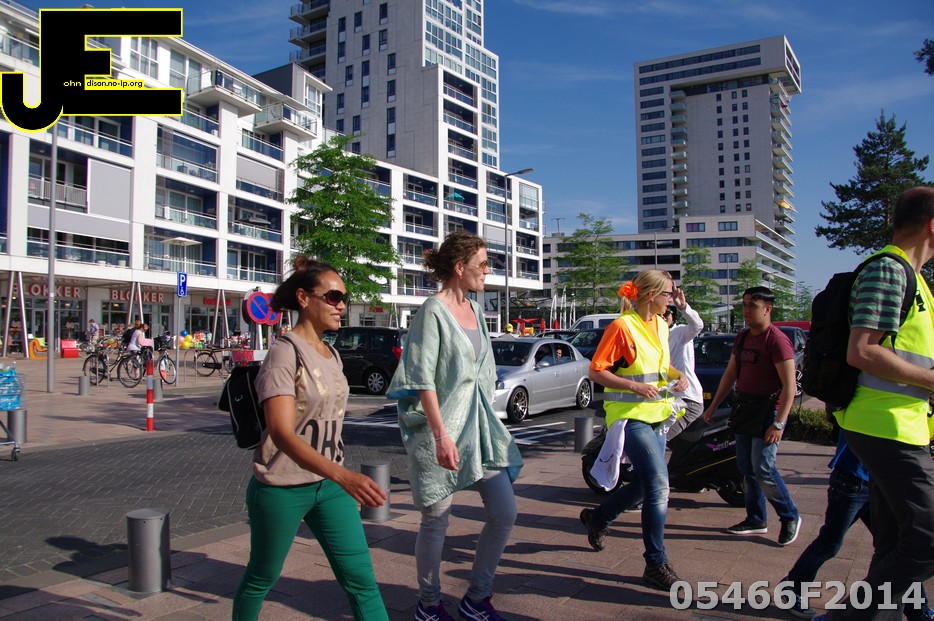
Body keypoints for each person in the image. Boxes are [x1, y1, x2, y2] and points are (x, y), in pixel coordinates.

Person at [232, 256, 389, 621]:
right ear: (304, 298)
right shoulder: (283, 353)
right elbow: (282, 434)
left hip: (329, 487)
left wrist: (337, 476)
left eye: (344, 298)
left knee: (362, 581)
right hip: (282, 486)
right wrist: (344, 475)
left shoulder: (331, 353)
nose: (341, 305)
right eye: (333, 297)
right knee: (261, 577)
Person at [388, 231, 523, 621]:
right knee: (436, 520)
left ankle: (476, 598)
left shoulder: (477, 311)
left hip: (479, 430)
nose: (488, 271)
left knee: (505, 513)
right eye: (483, 264)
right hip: (442, 430)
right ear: (460, 267)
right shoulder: (432, 311)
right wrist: (441, 436)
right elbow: (422, 378)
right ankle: (429, 604)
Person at [816, 187, 934, 621]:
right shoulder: (889, 270)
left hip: (900, 426)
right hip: (883, 426)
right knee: (928, 538)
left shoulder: (917, 280)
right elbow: (862, 350)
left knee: (894, 541)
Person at [578, 269, 690, 590]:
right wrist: (633, 386)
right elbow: (596, 371)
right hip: (630, 417)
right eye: (669, 294)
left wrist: (677, 375)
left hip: (657, 415)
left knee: (643, 485)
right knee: (659, 487)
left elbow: (660, 367)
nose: (672, 300)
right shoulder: (622, 326)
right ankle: (655, 563)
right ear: (651, 295)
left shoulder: (661, 324)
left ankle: (598, 518)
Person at [780, 429, 933, 620]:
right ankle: (793, 587)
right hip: (854, 480)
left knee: (898, 549)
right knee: (830, 542)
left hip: (883, 482)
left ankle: (918, 610)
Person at [702, 286, 801, 546]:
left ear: (767, 309)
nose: (746, 310)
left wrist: (779, 423)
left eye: (752, 306)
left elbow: (790, 387)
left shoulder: (777, 340)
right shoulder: (743, 337)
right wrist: (713, 406)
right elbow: (730, 374)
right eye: (744, 305)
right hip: (744, 409)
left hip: (768, 412)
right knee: (746, 468)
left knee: (763, 468)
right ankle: (756, 519)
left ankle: (790, 516)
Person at [662, 289, 705, 440]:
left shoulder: (679, 332)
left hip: (686, 400)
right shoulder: (654, 337)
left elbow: (697, 325)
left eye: (667, 314)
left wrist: (683, 307)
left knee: (659, 439)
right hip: (665, 399)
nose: (663, 317)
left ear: (673, 317)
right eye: (660, 314)